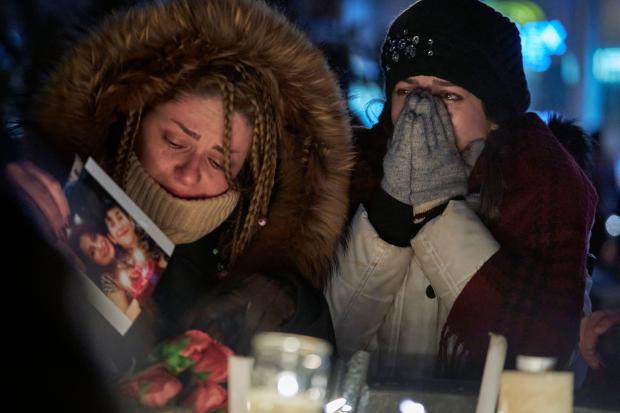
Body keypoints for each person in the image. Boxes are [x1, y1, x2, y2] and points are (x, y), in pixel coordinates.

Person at [6, 0, 352, 378]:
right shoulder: (43, 198)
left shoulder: (252, 271)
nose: (189, 174)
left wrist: (291, 304)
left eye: (219, 162)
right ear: (130, 123)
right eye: (174, 141)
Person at [326, 0, 597, 381]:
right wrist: (390, 213)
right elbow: (330, 337)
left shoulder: (543, 185)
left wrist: (437, 210)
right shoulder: (352, 175)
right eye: (407, 91)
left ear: (494, 116)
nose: (423, 110)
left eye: (448, 95)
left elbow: (543, 352)